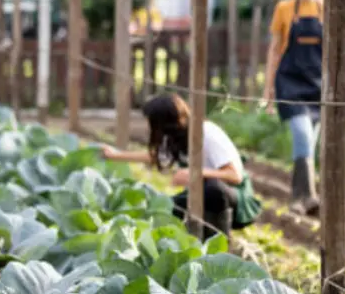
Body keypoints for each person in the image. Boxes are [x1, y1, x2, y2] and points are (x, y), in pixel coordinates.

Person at [101, 93, 261, 239]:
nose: (151, 127)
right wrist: (116, 155)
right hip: (201, 193)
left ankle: (219, 243)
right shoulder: (177, 136)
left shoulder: (208, 133)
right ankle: (195, 242)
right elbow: (156, 157)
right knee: (165, 208)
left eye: (154, 122)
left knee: (214, 189)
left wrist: (195, 173)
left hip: (236, 197)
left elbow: (234, 175)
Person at [263, 0, 323, 216]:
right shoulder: (285, 8)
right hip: (289, 83)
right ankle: (309, 196)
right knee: (303, 135)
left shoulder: (327, 8)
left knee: (308, 145)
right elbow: (274, 51)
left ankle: (297, 200)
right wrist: (268, 89)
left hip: (318, 86)